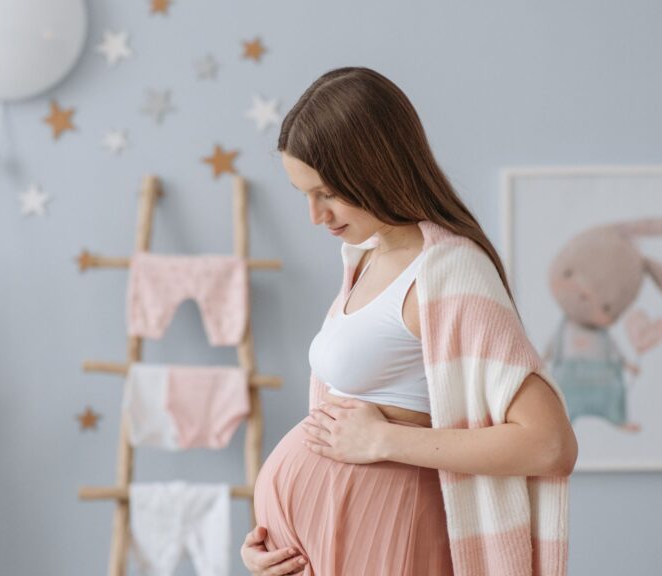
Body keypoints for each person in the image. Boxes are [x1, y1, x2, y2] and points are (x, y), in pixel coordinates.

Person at [241, 67, 578, 576]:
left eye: (328, 192)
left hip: (393, 542)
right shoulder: (367, 259)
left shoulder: (450, 271)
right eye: (304, 194)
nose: (316, 216)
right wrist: (273, 543)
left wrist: (386, 442)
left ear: (376, 169)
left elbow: (549, 443)